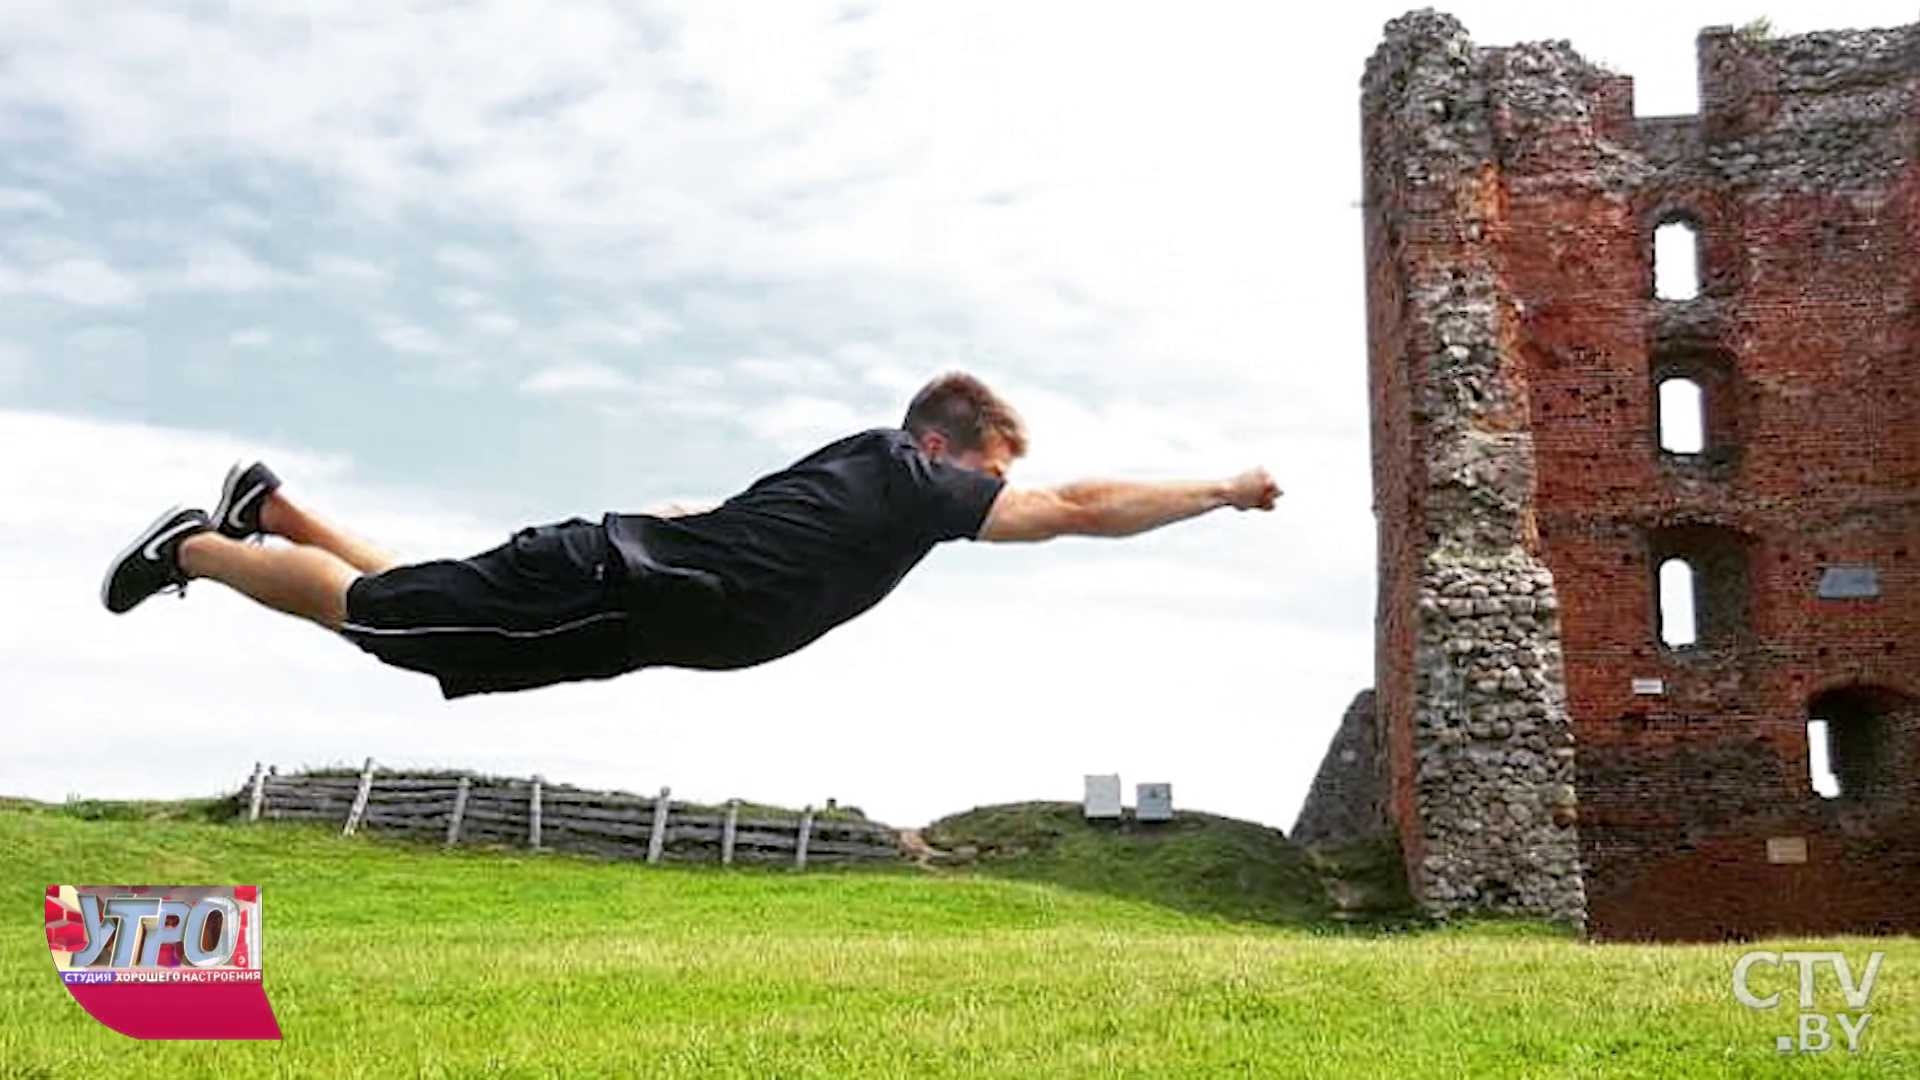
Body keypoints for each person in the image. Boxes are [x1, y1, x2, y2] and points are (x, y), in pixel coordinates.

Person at [101, 372, 1281, 698]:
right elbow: (1076, 513)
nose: (996, 499)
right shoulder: (908, 478)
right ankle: (196, 547)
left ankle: (271, 509)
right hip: (613, 591)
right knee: (382, 623)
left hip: (618, 602)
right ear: (946, 448)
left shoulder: (861, 476)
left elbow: (706, 516)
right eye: (993, 475)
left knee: (438, 622)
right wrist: (1221, 489)